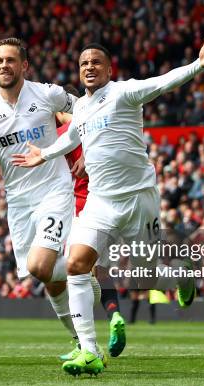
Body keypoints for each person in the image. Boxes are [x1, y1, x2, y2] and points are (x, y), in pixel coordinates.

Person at [13, 37, 204, 375]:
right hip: (100, 201)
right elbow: (72, 138)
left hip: (138, 198)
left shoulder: (125, 92)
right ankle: (89, 351)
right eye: (83, 64)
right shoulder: (80, 107)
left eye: (95, 62)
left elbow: (164, 83)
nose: (89, 67)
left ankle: (181, 276)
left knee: (146, 278)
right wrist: (44, 154)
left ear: (109, 69)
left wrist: (198, 64)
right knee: (77, 264)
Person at [0, 38, 102, 361]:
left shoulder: (47, 93)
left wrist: (87, 149)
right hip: (18, 201)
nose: (4, 66)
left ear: (23, 65)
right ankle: (81, 340)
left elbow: (86, 110)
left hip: (54, 192)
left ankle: (83, 269)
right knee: (48, 280)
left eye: (10, 60)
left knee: (40, 265)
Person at [55, 106, 127, 360]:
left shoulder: (64, 133)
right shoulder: (98, 129)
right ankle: (114, 314)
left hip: (85, 209)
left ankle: (85, 344)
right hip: (110, 203)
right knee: (101, 271)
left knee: (76, 273)